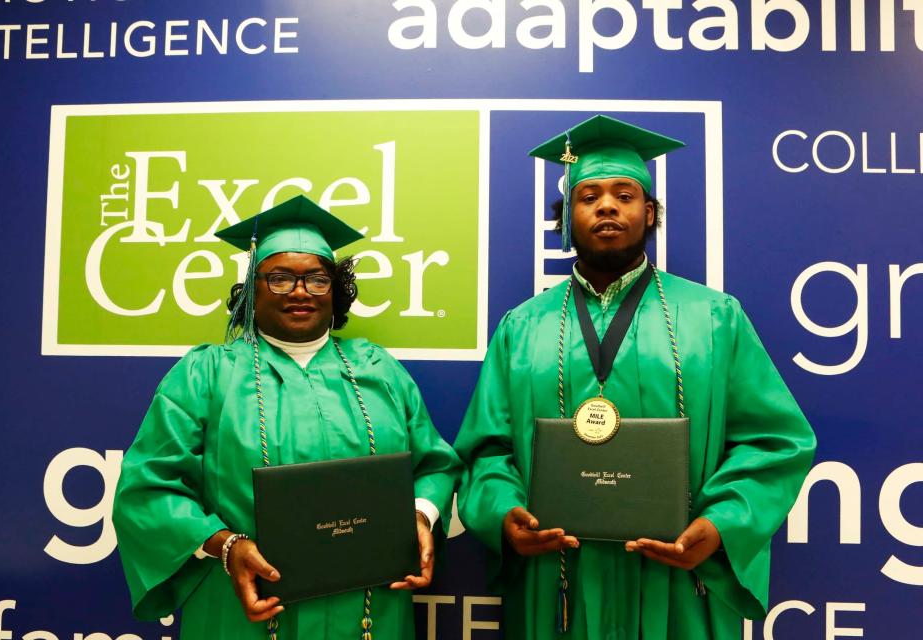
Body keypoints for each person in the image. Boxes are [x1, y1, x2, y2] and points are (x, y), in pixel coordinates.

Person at [453, 115, 816, 639]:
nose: (606, 206)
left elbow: (774, 440)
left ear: (648, 213)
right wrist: (503, 513)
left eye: (624, 194)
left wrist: (721, 526)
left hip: (676, 577)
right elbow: (487, 450)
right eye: (588, 196)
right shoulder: (522, 327)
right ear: (566, 218)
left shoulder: (713, 318)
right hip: (558, 577)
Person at [112, 195, 461, 640]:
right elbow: (148, 489)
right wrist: (226, 546)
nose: (300, 291)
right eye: (279, 278)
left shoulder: (377, 369)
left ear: (336, 290)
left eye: (317, 278)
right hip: (245, 609)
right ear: (250, 290)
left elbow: (434, 464)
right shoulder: (207, 375)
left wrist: (419, 516)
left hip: (370, 609)